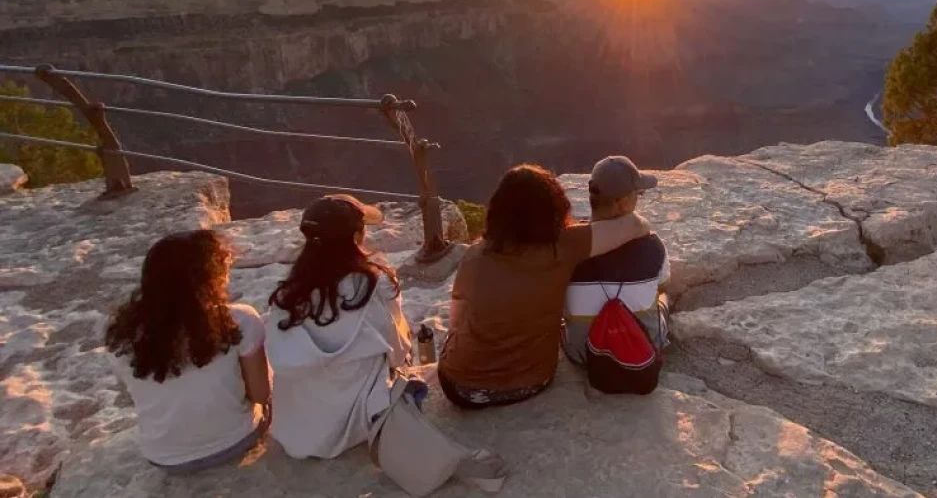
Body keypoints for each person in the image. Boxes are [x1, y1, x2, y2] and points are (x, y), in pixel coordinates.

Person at [438, 164, 652, 409]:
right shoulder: (566, 245)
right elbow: (638, 226)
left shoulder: (475, 255)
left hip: (460, 388)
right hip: (529, 383)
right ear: (555, 205)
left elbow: (456, 321)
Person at [105, 230, 271, 473]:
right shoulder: (239, 319)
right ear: (209, 277)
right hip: (235, 441)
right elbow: (260, 395)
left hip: (164, 457)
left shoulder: (120, 334)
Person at [263, 194, 414, 460]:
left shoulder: (287, 297)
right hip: (355, 422)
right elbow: (398, 350)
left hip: (298, 431)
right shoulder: (371, 286)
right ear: (356, 236)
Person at [562, 156, 669, 366]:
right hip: (643, 350)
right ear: (622, 202)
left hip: (582, 354)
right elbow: (663, 283)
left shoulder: (570, 248)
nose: (640, 198)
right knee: (663, 294)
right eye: (638, 194)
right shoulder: (653, 246)